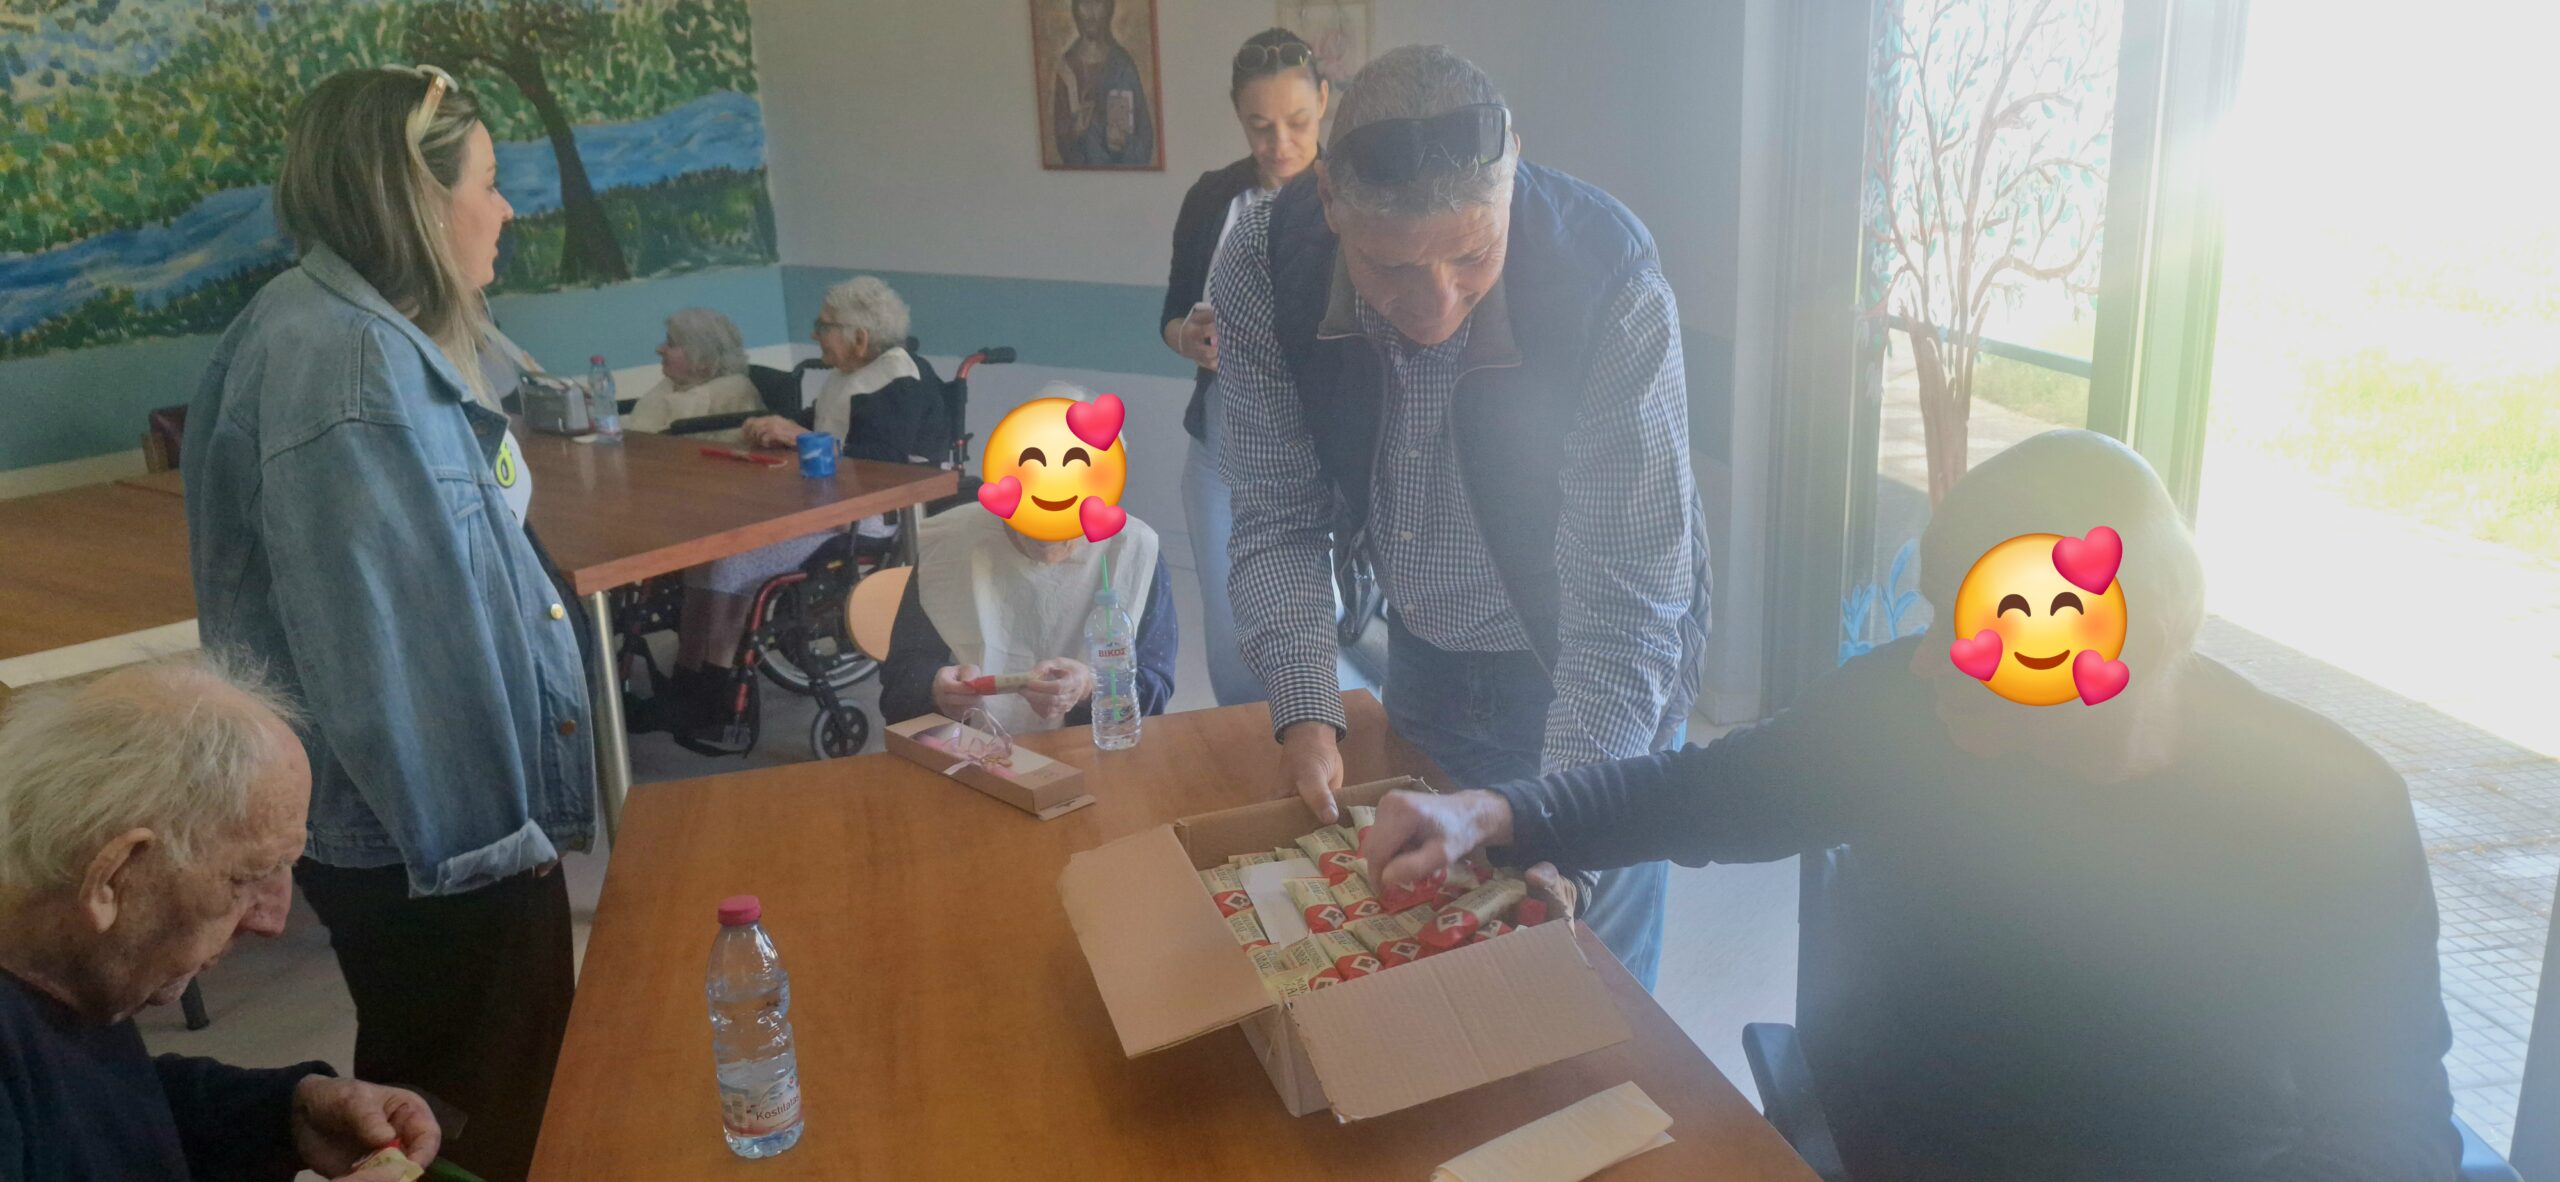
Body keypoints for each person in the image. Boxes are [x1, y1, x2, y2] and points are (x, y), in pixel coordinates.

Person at [1361, 430, 2464, 1182]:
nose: (1934, 661)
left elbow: (2392, 1134)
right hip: (1910, 1149)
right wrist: (1492, 814)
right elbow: (1713, 793)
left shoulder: (2326, 812)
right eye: (1942, 613)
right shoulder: (1909, 708)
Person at [1210, 45, 1710, 989]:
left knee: (1585, 980)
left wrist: (1568, 831)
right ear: (1329, 199)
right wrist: (1306, 711)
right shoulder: (1265, 262)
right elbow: (1277, 513)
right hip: (1430, 650)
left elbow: (1626, 607)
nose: (1435, 301)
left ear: (1512, 167)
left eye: (1474, 254)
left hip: (1593, 664)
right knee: (1431, 963)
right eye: (1389, 266)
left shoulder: (1610, 279)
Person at [183, 65, 589, 1182]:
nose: (505, 210)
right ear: (415, 194)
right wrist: (496, 853)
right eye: (488, 183)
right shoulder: (349, 366)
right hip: (441, 846)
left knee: (459, 1091)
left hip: (428, 837)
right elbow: (392, 658)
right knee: (479, 1113)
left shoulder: (353, 332)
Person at [0, 656, 444, 1182]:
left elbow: (94, 1107)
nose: (273, 920)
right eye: (247, 877)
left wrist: (283, 1112)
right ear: (114, 878)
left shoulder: (62, 970)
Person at [650, 277, 947, 747]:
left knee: (731, 560)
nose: (814, 335)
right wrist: (782, 426)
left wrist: (800, 436)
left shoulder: (898, 381)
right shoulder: (850, 372)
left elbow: (880, 464)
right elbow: (828, 423)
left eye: (823, 326)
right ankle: (688, 684)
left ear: (859, 337)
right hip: (823, 505)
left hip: (868, 518)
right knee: (704, 556)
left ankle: (715, 700)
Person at [1161, 28, 1345, 707]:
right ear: (1237, 116)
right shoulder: (1212, 198)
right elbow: (1172, 314)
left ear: (1323, 100)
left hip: (1326, 438)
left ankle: (1330, 737)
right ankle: (1245, 746)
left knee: (1330, 619)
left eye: (1297, 121)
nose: (1280, 143)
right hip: (1222, 435)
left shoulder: (1353, 194)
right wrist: (1189, 338)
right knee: (1232, 617)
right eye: (1259, 126)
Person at [878, 474, 1178, 735]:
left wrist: (1090, 688)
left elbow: (1154, 694)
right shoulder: (953, 542)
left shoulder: (1130, 551)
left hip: (1087, 751)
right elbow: (898, 687)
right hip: (967, 753)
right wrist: (934, 690)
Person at [622, 307, 764, 441]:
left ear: (704, 359)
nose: (659, 349)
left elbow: (678, 445)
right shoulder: (673, 385)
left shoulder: (732, 393)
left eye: (671, 344)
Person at [1051, 0, 1155, 167]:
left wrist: (1124, 141)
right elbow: (1061, 145)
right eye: (1084, 3)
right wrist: (1076, 129)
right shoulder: (1067, 69)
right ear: (1075, 8)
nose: (1091, 14)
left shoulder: (1123, 65)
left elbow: (1145, 141)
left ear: (1108, 8)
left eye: (1097, 3)